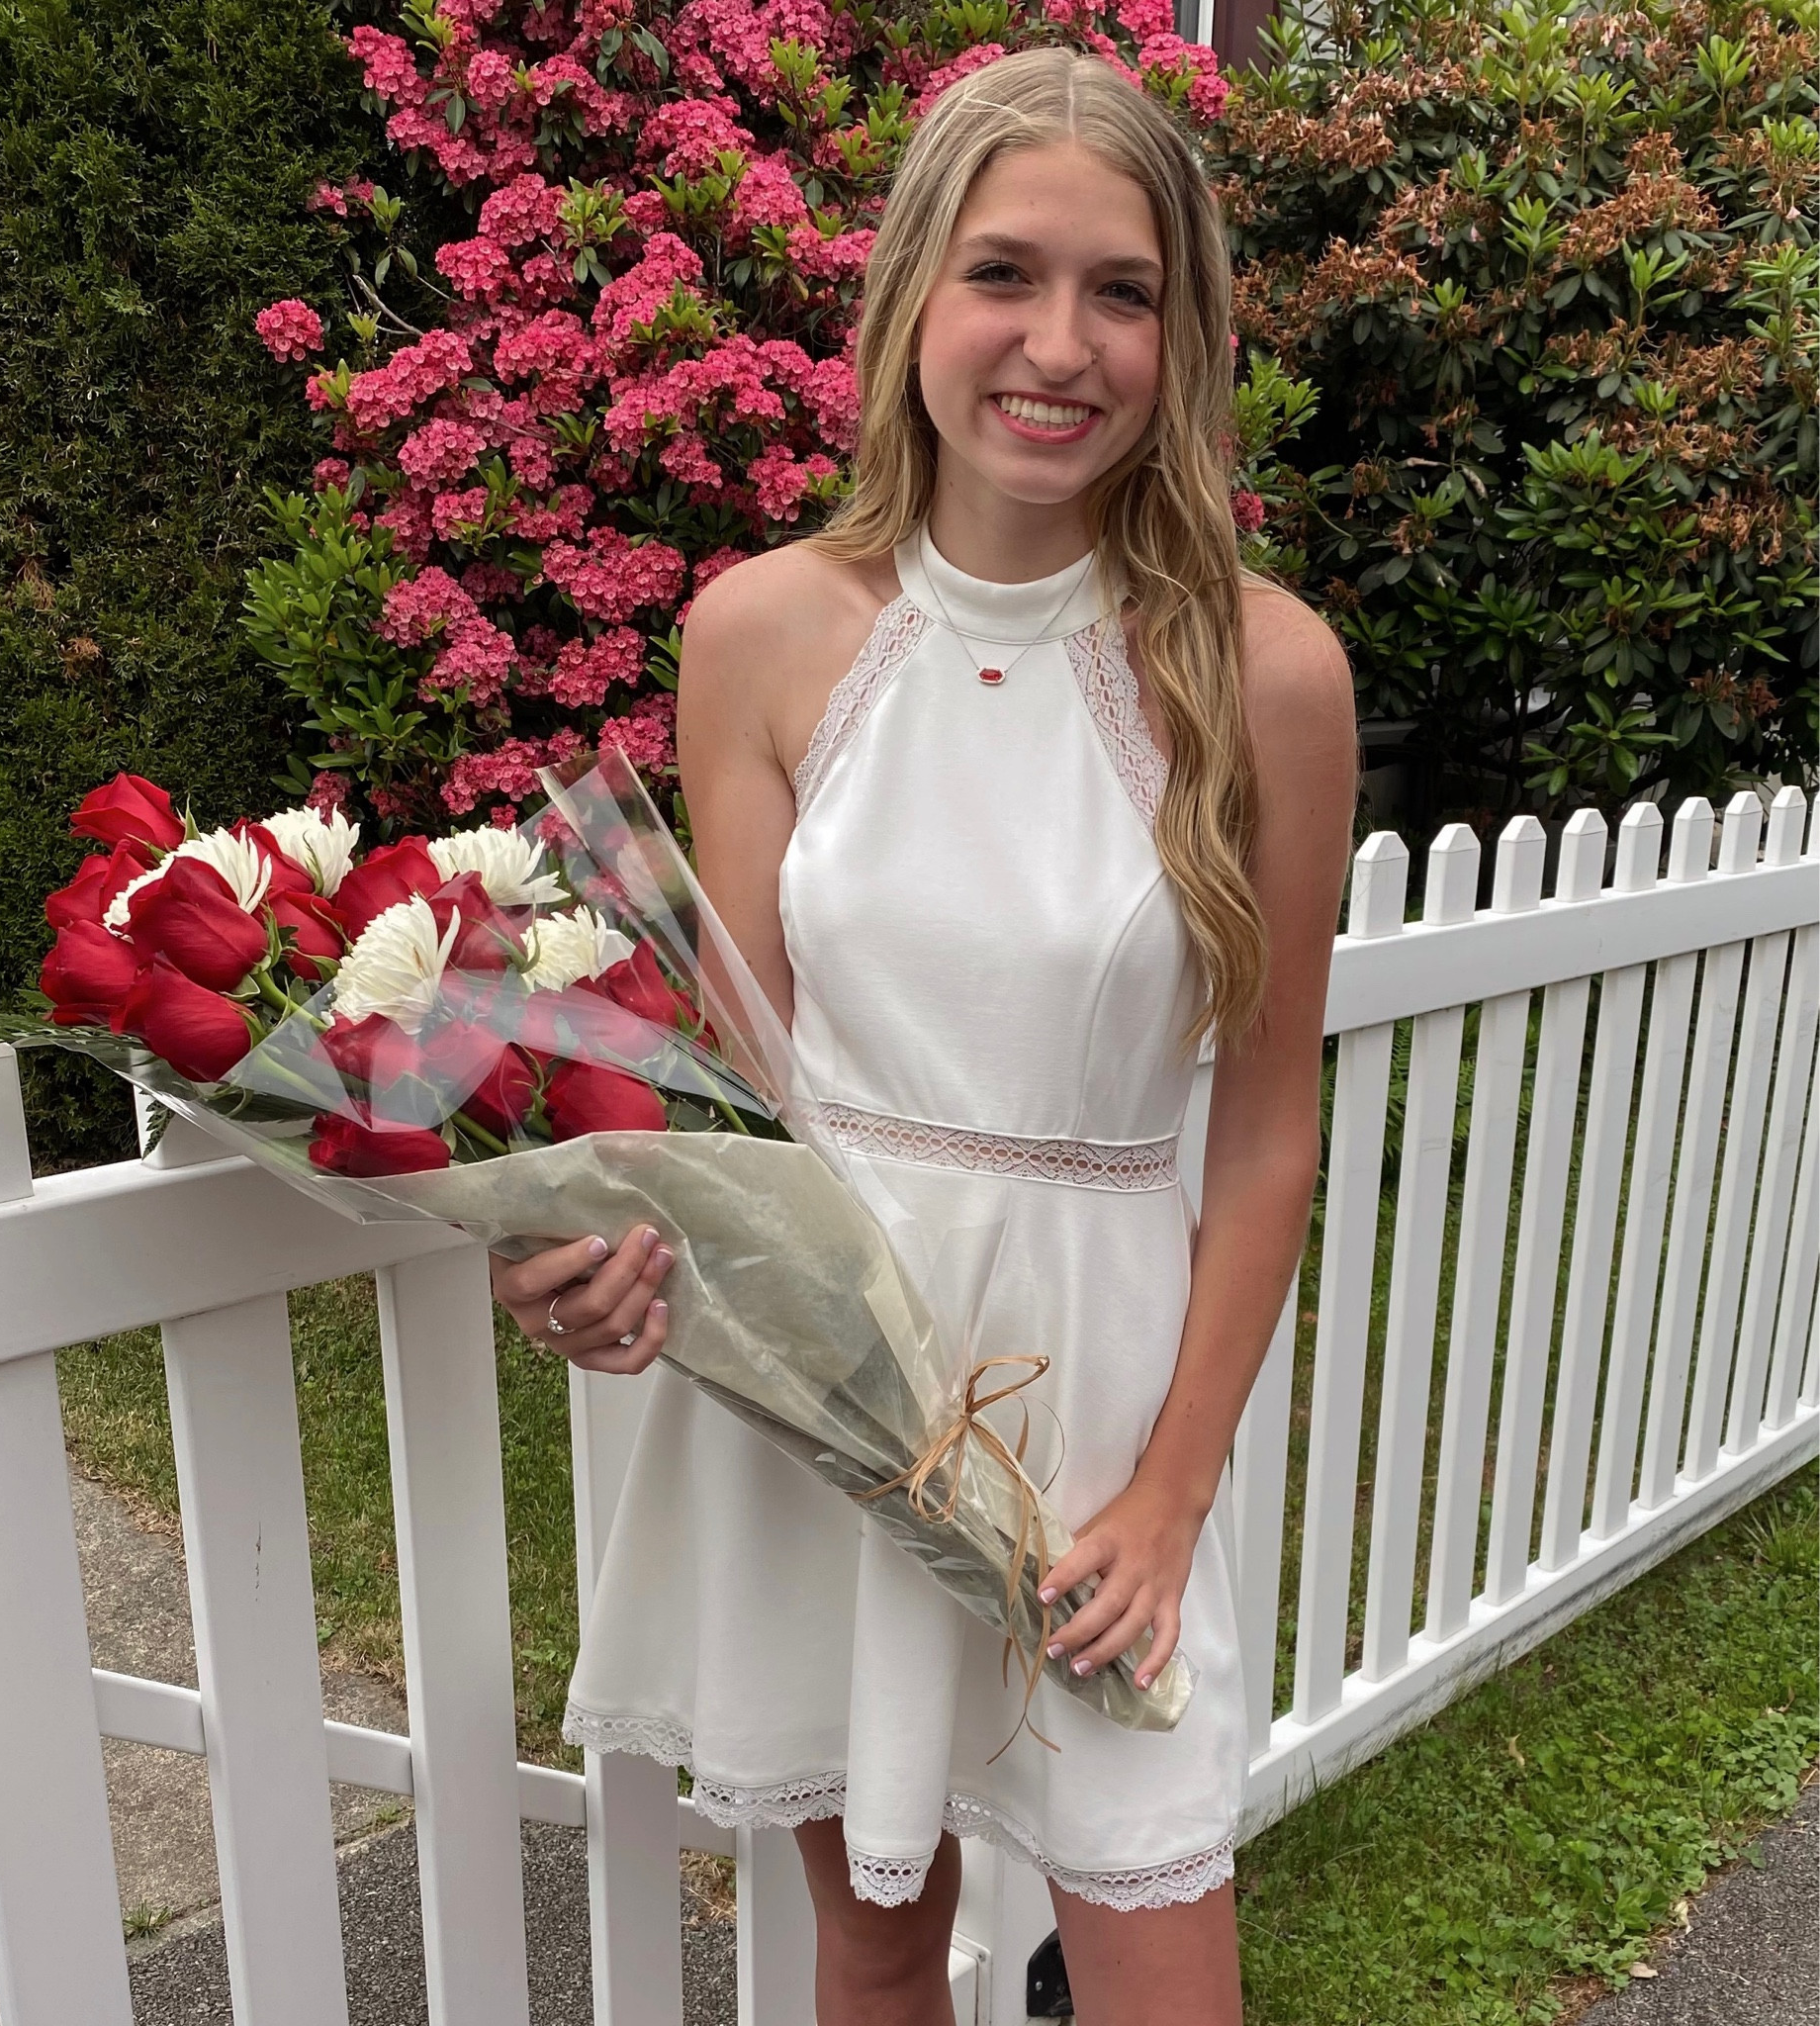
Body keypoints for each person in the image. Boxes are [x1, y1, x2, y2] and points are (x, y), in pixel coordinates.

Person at [491, 45, 1353, 2024]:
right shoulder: (759, 633)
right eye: (1002, 274)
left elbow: (1262, 1129)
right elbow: (740, 1096)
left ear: (1182, 329)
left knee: (1158, 1949)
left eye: (1119, 290)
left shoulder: (1264, 666)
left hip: (1103, 1411)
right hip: (832, 1380)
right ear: (903, 304)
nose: (1057, 343)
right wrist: (586, 1254)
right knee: (870, 1940)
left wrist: (1167, 1494)